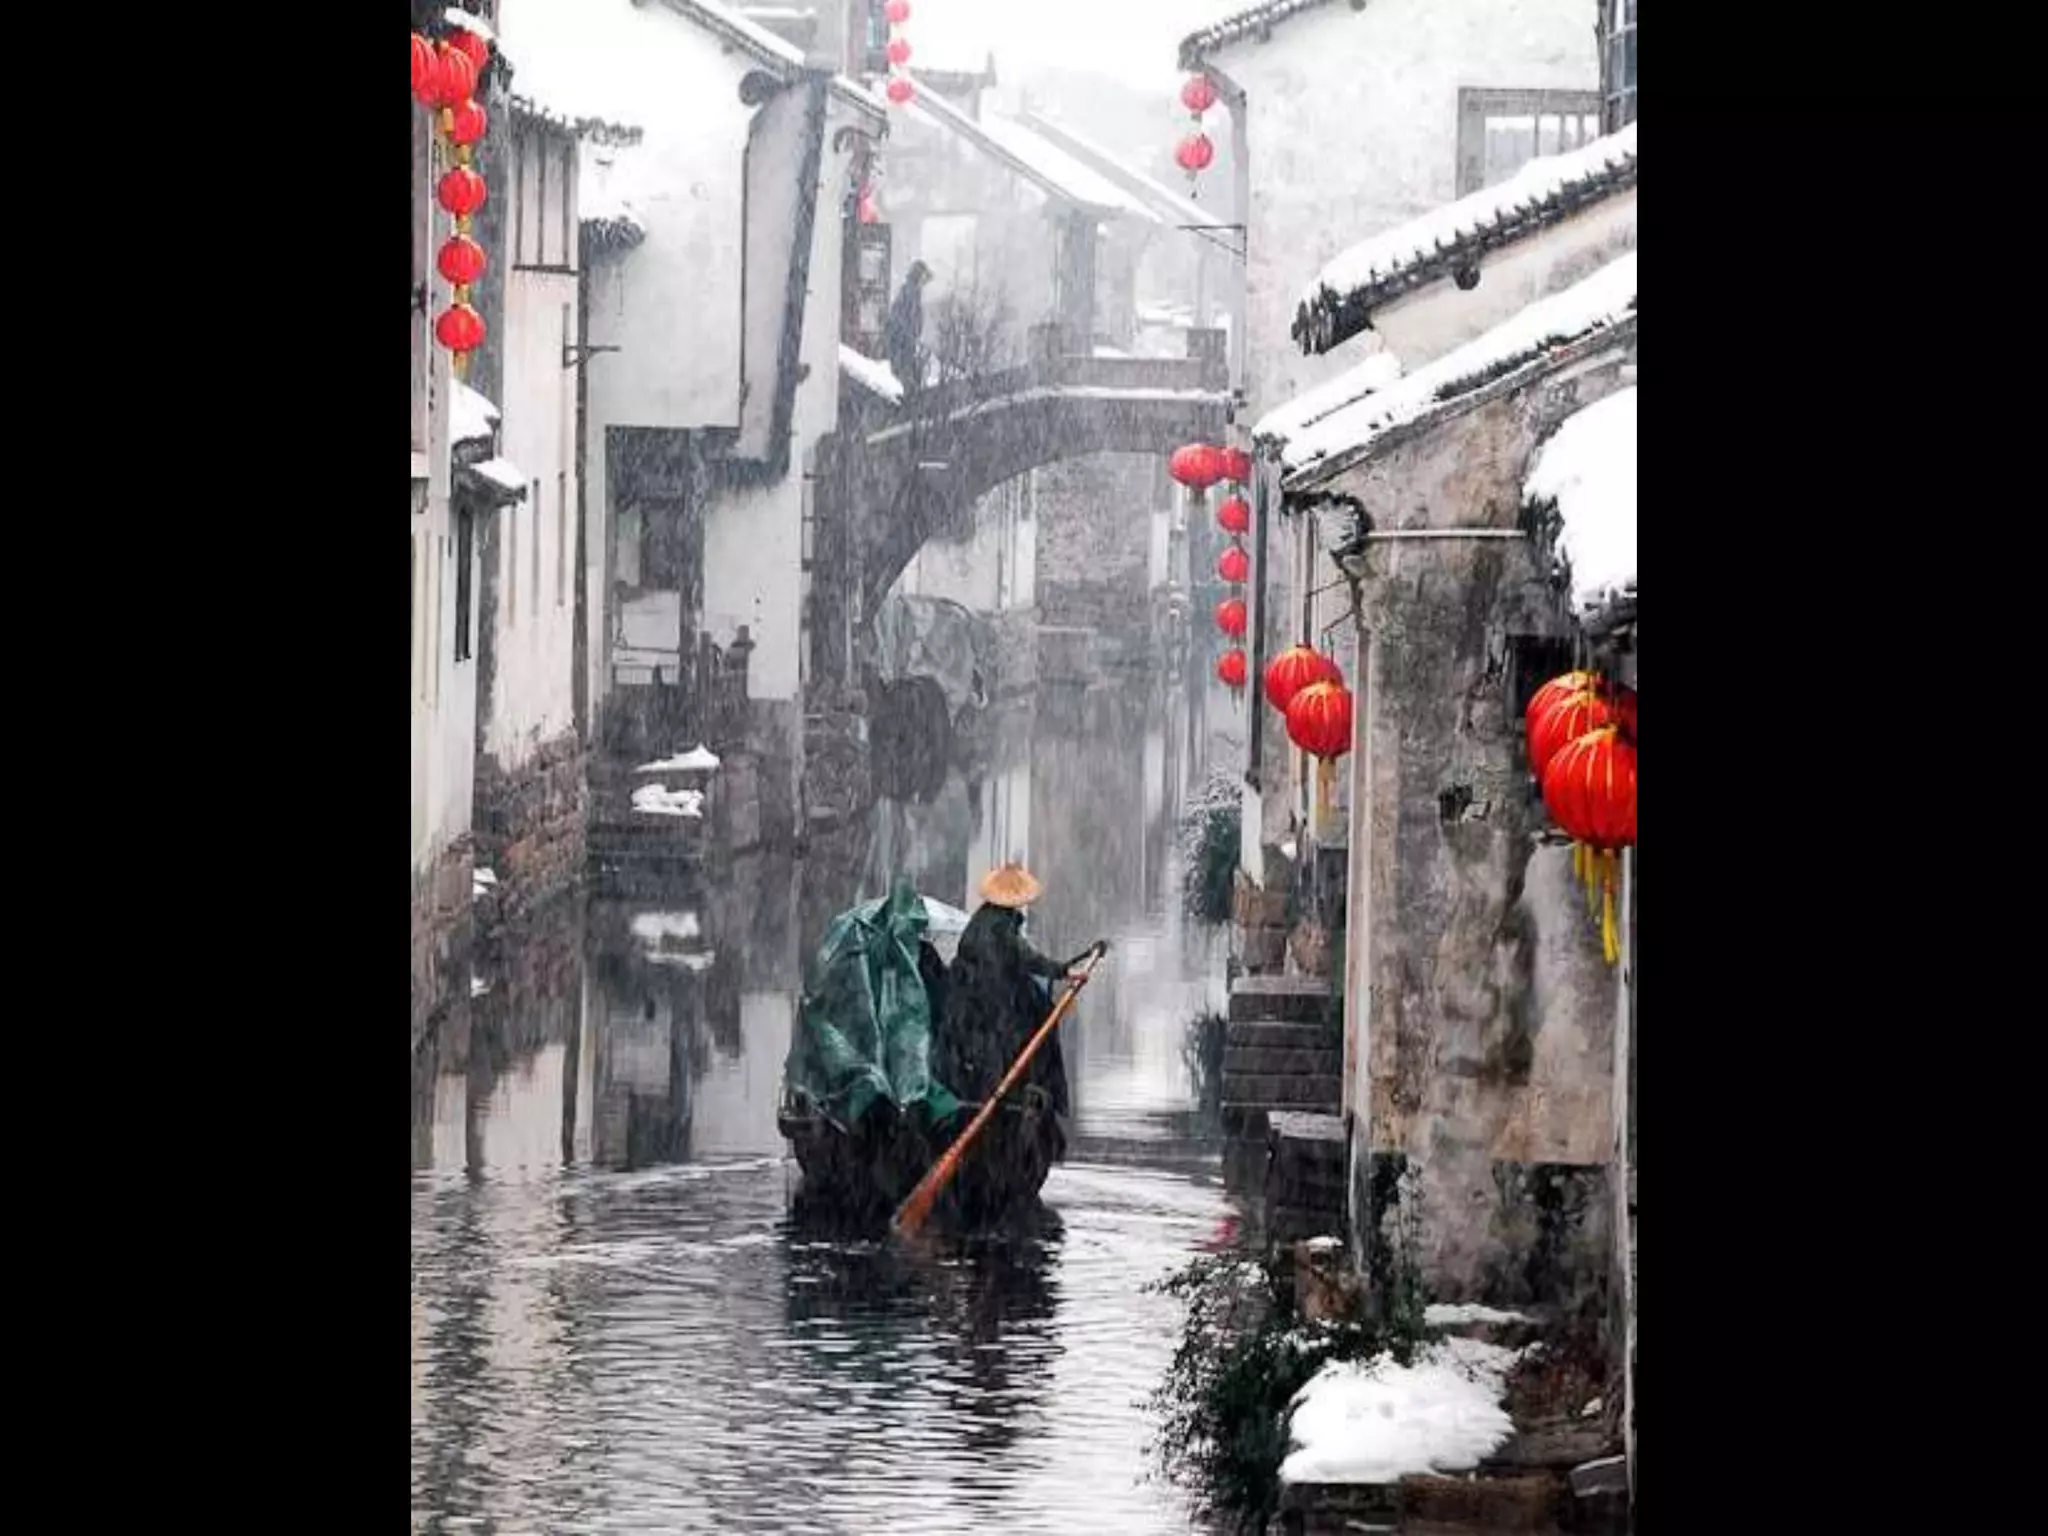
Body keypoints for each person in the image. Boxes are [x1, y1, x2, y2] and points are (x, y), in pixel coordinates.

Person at [934, 862, 1096, 1159]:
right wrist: (1063, 971)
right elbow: (1028, 959)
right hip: (990, 1009)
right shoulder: (1001, 927)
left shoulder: (980, 923)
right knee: (1003, 1052)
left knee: (984, 1056)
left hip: (970, 1008)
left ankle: (989, 1098)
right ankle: (999, 1101)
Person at [884, 260, 932, 397]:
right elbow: (901, 321)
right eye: (924, 278)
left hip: (904, 346)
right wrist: (908, 337)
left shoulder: (911, 293)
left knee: (910, 380)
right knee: (907, 382)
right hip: (902, 347)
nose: (925, 284)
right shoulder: (909, 294)